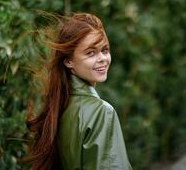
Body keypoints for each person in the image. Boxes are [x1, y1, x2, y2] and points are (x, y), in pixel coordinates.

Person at [25, 13, 132, 170]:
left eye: (105, 50)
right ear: (69, 61)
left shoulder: (59, 107)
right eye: (91, 53)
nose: (102, 58)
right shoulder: (101, 112)